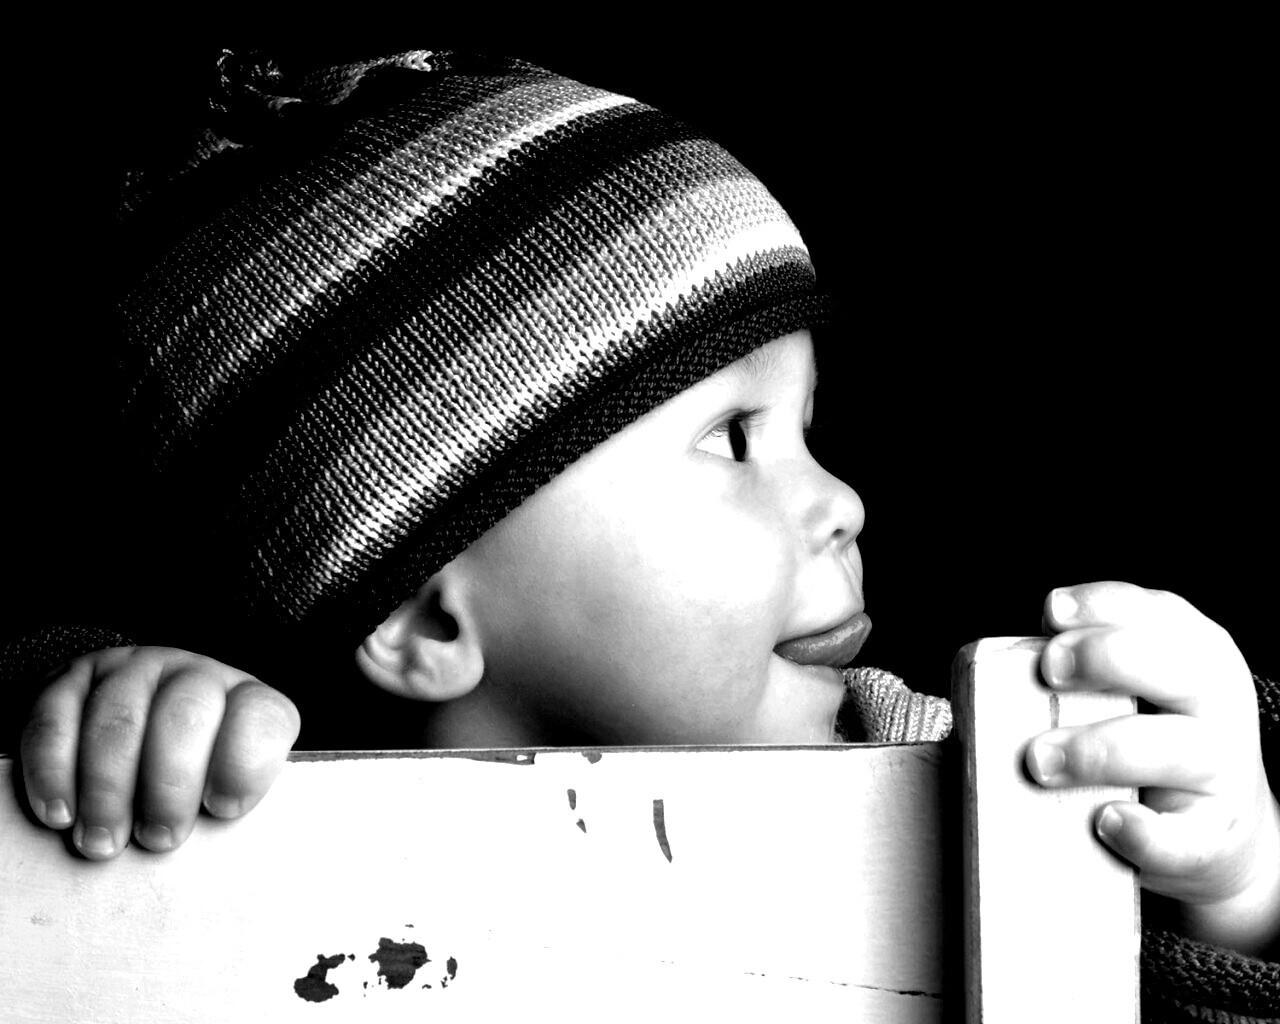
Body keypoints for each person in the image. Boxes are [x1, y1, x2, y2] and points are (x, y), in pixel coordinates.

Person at [4, 48, 1276, 1020]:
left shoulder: (956, 769)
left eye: (807, 432)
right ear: (428, 615)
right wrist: (97, 707)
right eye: (734, 440)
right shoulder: (247, 815)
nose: (843, 502)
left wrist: (1227, 887)